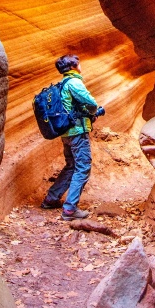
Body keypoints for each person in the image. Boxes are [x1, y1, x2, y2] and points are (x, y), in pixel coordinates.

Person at [41, 54, 104, 220]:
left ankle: (51, 198)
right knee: (82, 167)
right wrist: (91, 113)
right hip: (77, 131)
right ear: (74, 66)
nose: (80, 65)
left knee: (71, 166)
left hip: (66, 132)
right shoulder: (75, 82)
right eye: (79, 63)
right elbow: (91, 102)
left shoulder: (62, 84)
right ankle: (70, 209)